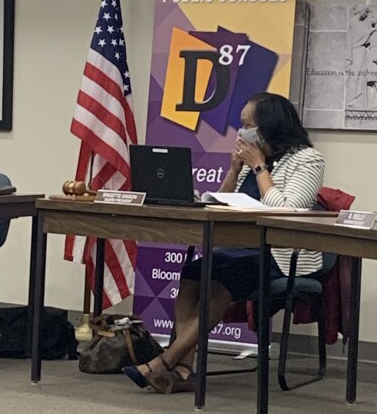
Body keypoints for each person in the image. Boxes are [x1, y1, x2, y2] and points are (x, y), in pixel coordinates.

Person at [122, 92, 325, 393]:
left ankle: (166, 361)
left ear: (270, 126)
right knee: (193, 273)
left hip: (281, 254)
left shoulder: (307, 160)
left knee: (220, 279)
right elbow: (221, 202)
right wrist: (234, 169)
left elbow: (287, 210)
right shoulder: (252, 157)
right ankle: (184, 369)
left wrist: (259, 168)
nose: (241, 132)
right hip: (242, 248)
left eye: (247, 125)